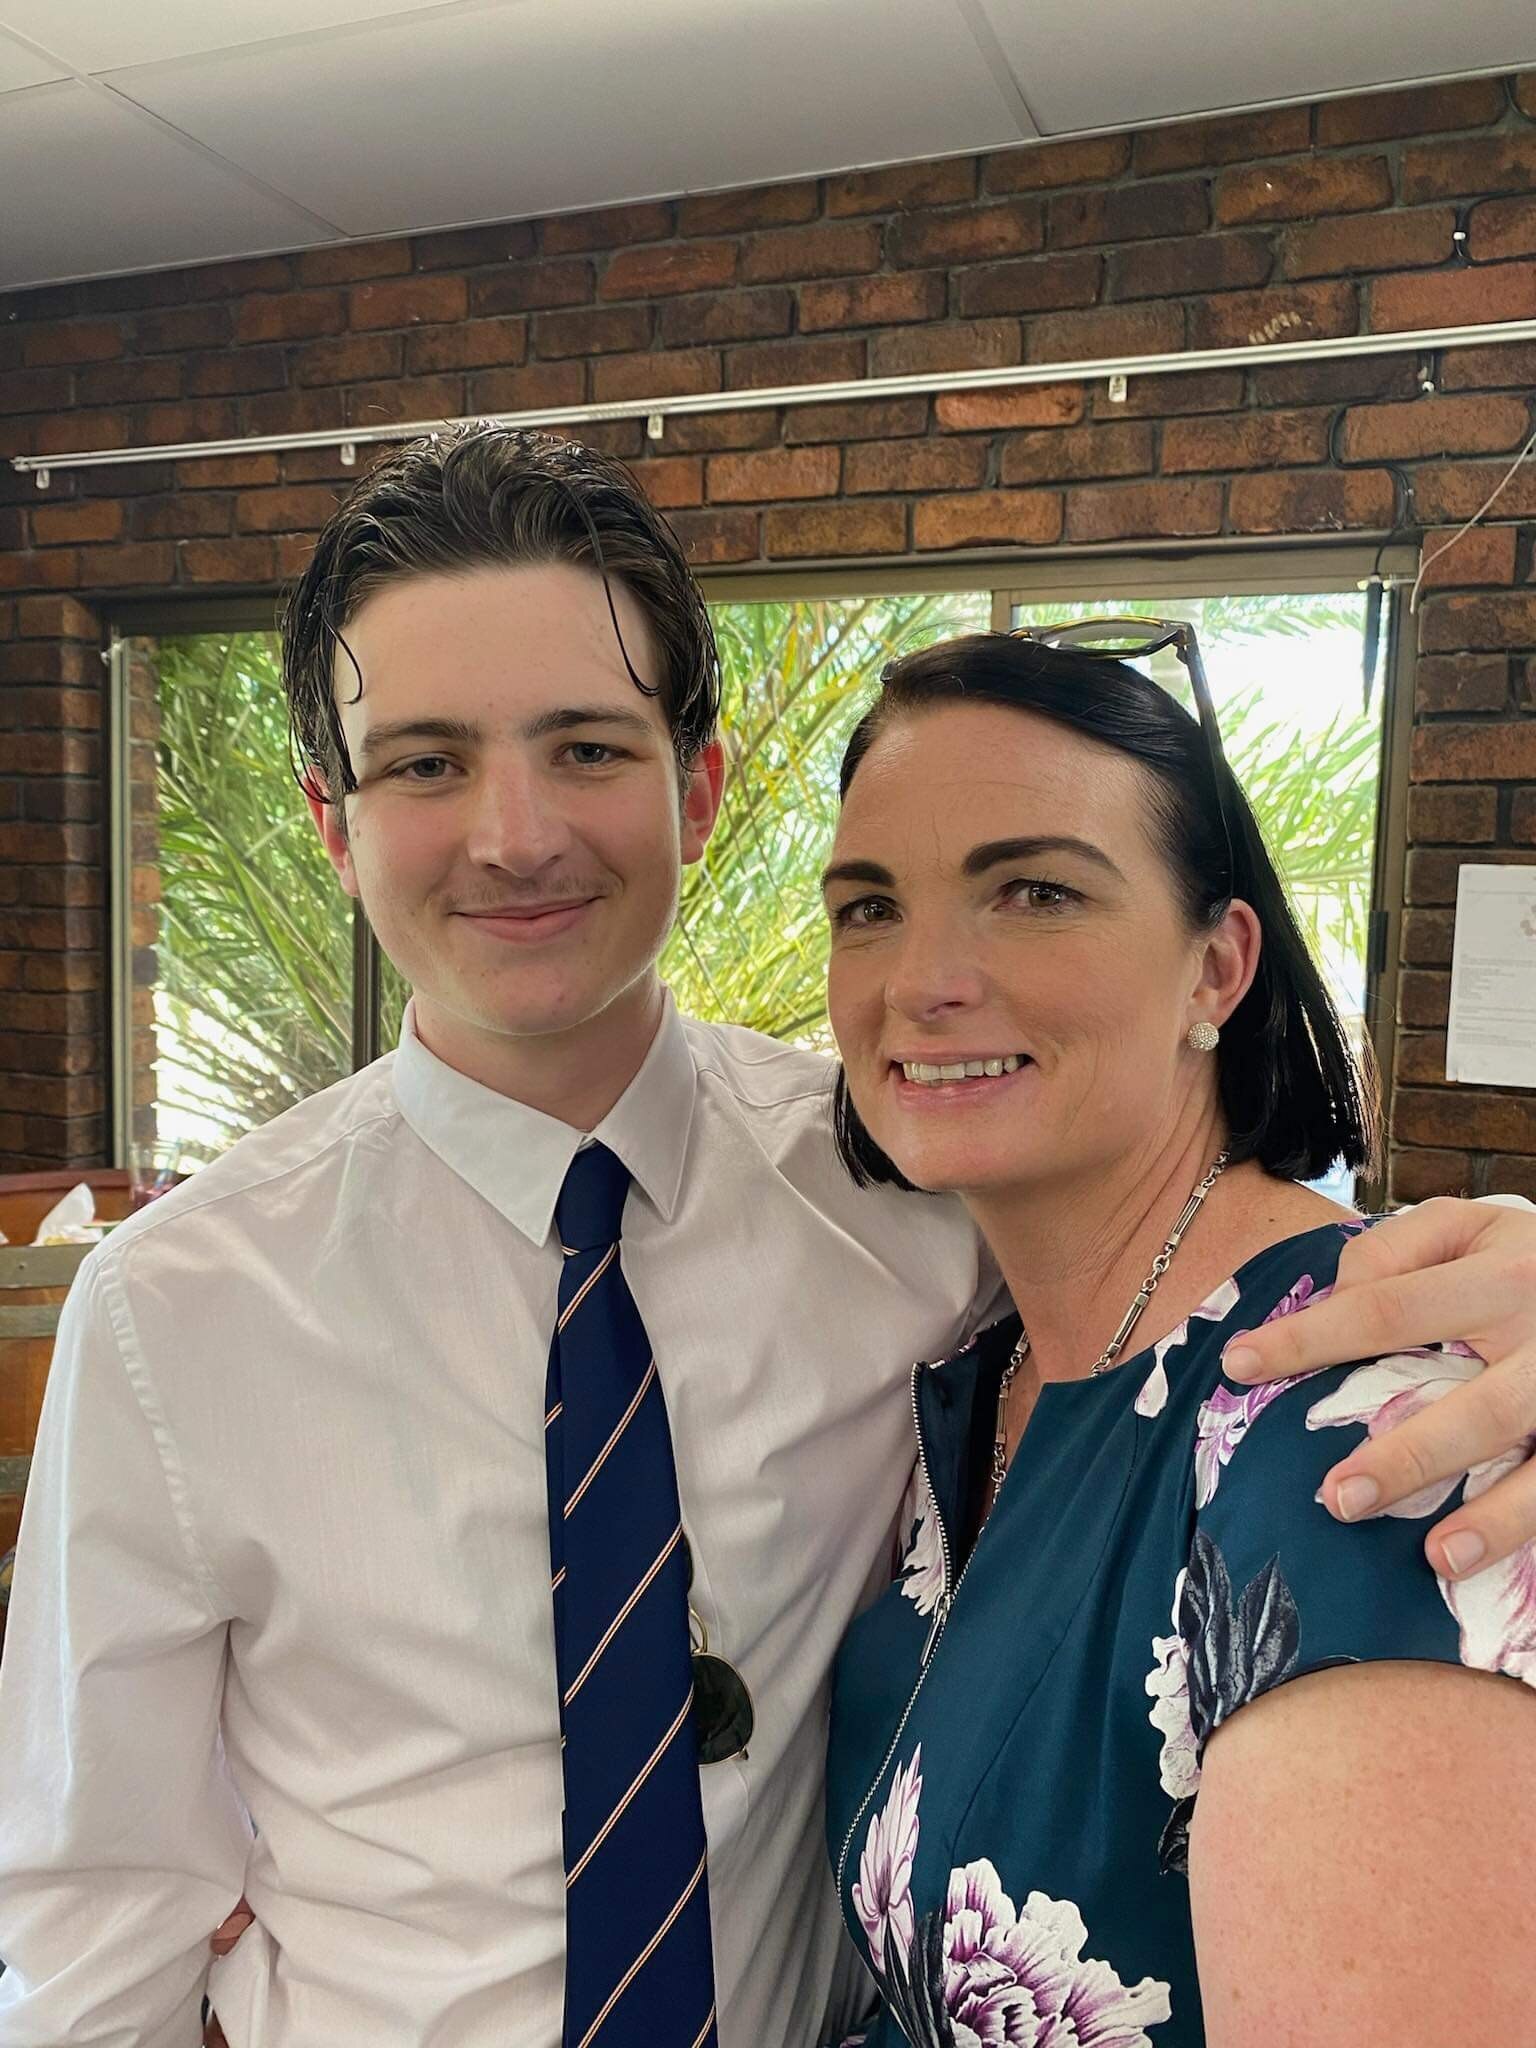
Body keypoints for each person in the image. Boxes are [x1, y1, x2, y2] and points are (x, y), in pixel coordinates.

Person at [0, 430, 1533, 2048]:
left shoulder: (920, 1190)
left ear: (700, 786)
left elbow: (1204, 1286)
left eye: (585, 748)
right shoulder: (173, 1317)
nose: (514, 834)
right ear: (335, 821)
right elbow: (98, 1925)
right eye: (427, 763)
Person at [820, 628, 1536, 2048]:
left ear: (1218, 968)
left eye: (1031, 891)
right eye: (867, 907)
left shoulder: (1355, 1421)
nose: (923, 979)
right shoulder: (987, 1369)